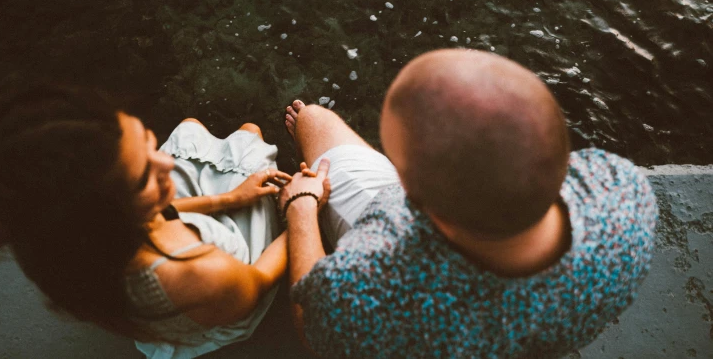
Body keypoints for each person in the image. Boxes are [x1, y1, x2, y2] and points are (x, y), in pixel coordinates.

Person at [277, 48, 657, 358]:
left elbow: (315, 331)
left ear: (414, 201)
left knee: (313, 118)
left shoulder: (371, 286)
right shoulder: (624, 195)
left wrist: (302, 211)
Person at [0, 85, 303, 359]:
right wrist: (300, 209)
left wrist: (227, 200)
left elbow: (162, 213)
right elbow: (258, 279)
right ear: (114, 216)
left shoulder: (76, 246)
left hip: (182, 243)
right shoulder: (201, 273)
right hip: (236, 271)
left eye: (148, 141)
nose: (165, 161)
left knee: (190, 127)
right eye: (143, 175)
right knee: (250, 133)